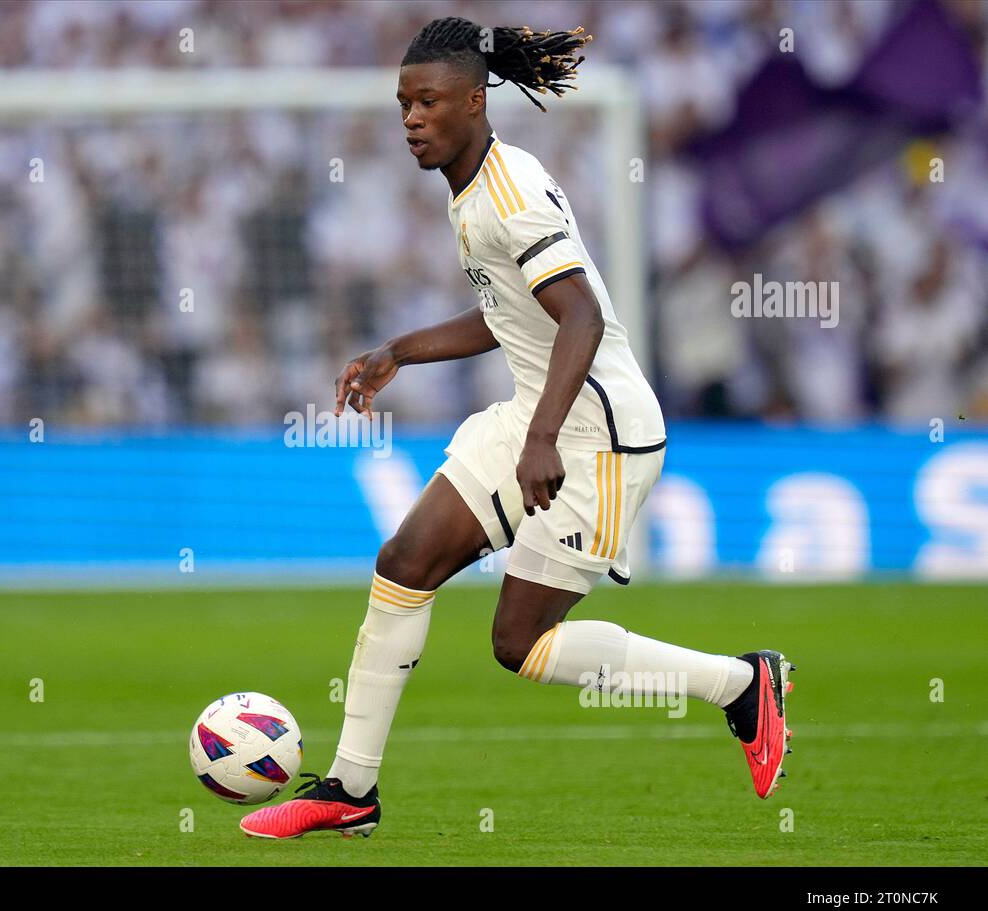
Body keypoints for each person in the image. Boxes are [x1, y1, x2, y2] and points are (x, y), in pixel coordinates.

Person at [241, 17, 794, 840]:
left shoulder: (510, 192)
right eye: (402, 104)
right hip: (537, 413)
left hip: (597, 440)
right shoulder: (473, 189)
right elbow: (512, 311)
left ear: (474, 100)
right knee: (403, 564)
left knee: (520, 644)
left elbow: (582, 319)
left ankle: (741, 685)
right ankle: (352, 790)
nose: (411, 119)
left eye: (428, 102)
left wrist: (541, 439)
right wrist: (402, 350)